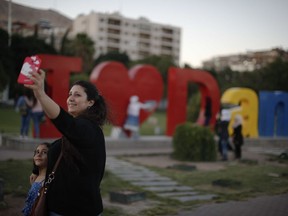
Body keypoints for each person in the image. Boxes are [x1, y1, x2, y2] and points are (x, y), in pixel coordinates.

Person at [26, 69, 109, 216]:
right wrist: (36, 169)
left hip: (76, 210)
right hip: (60, 208)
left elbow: (66, 123)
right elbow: (56, 149)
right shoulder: (78, 129)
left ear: (90, 102)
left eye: (77, 95)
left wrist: (41, 94)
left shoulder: (89, 129)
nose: (70, 98)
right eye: (70, 94)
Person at [22, 142, 50, 216]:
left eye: (44, 152)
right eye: (37, 152)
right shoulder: (35, 177)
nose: (39, 154)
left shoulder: (48, 180)